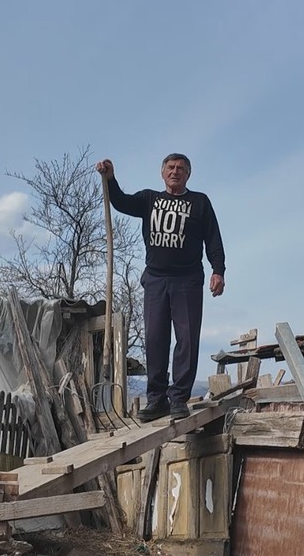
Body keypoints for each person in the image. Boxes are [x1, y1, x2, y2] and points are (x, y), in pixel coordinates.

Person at [95, 153, 225, 421]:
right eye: (171, 167)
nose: (175, 171)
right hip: (155, 279)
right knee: (155, 339)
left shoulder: (199, 202)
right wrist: (110, 179)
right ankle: (156, 399)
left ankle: (178, 398)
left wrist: (218, 271)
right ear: (162, 172)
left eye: (181, 168)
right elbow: (120, 202)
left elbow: (213, 238)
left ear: (188, 174)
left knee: (187, 339)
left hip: (187, 280)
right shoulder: (148, 199)